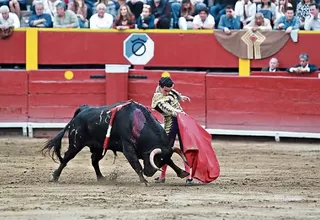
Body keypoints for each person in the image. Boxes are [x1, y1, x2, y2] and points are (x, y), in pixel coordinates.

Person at [151, 72, 193, 184]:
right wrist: (181, 113)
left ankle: (189, 177)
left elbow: (173, 92)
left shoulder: (167, 90)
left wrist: (181, 97)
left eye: (170, 89)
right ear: (160, 87)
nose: (168, 92)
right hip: (172, 125)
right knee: (166, 151)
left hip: (182, 122)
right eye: (166, 90)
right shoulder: (158, 100)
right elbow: (171, 110)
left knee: (186, 148)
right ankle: (162, 176)